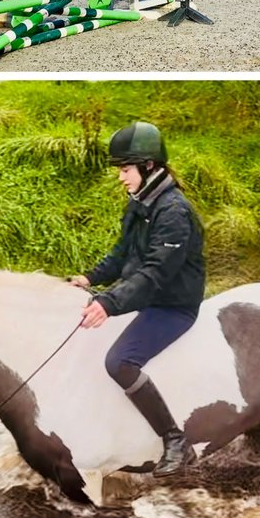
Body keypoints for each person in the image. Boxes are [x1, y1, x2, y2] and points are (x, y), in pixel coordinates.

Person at [68, 121, 204, 477]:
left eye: (125, 170)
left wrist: (109, 303)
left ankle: (175, 440)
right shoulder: (140, 202)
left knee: (119, 362)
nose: (120, 177)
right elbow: (122, 254)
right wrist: (90, 279)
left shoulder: (173, 212)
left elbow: (156, 273)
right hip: (147, 295)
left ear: (148, 166)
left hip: (173, 305)